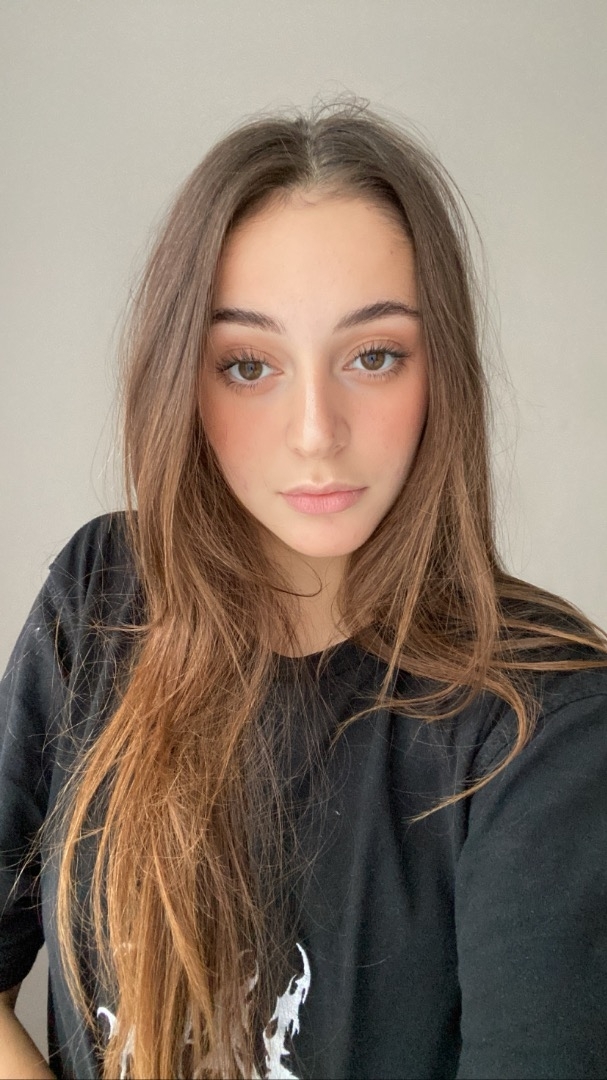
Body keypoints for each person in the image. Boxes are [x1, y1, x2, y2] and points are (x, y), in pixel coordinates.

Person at [1, 98, 606, 1080]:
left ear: (439, 370)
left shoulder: (543, 720)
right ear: (181, 380)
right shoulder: (102, 593)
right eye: (248, 365)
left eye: (374, 357)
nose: (316, 430)